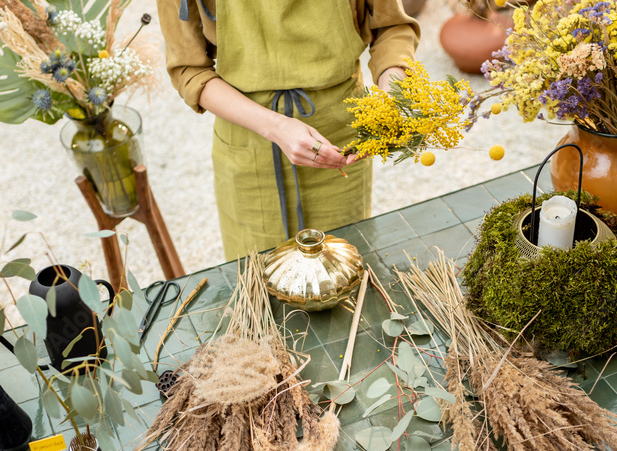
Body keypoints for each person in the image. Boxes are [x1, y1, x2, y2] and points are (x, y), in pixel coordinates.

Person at [157, 0, 420, 261]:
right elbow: (188, 70)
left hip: (338, 143)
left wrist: (392, 98)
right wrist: (276, 127)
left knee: (345, 275)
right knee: (259, 282)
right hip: (250, 145)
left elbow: (392, 27)